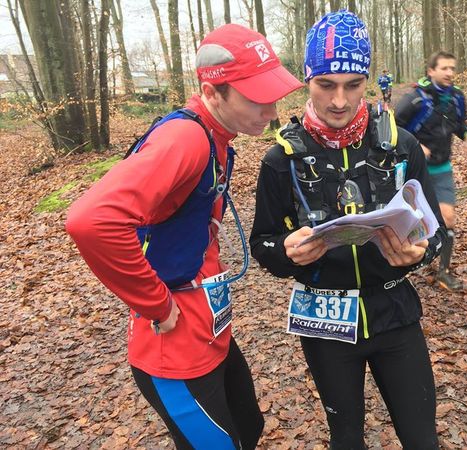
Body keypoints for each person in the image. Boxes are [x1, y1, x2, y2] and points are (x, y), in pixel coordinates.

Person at [66, 23, 302, 449]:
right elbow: (90, 220)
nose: (271, 114)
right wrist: (155, 304)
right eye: (258, 100)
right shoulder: (185, 138)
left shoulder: (217, 136)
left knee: (247, 428)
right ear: (213, 93)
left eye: (274, 98)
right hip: (173, 349)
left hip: (208, 326)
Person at [250, 10, 445, 449]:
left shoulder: (399, 145)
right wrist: (286, 251)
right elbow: (262, 243)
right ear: (307, 79)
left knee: (421, 438)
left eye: (352, 85)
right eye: (326, 85)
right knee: (346, 438)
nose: (339, 101)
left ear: (367, 81)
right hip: (325, 319)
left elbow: (435, 232)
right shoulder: (282, 160)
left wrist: (421, 252)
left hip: (394, 310)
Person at [394, 51, 467, 291]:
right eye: (444, 68)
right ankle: (404, 262)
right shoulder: (414, 100)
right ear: (431, 71)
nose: (450, 73)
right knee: (410, 220)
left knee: (448, 217)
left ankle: (443, 270)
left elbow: (459, 123)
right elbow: (393, 129)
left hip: (442, 167)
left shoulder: (456, 98)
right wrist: (415, 146)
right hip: (413, 170)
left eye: (452, 68)